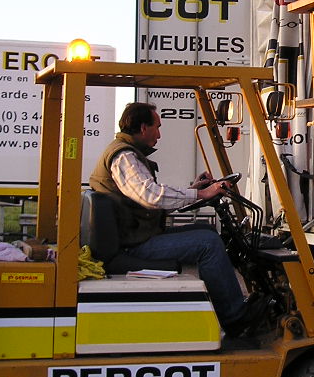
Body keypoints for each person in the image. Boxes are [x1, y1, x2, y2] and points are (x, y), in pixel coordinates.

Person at [89, 101, 265, 337]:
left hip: (135, 236)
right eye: (157, 127)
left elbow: (146, 200)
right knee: (208, 244)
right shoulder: (124, 156)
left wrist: (194, 189)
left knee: (209, 232)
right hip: (132, 246)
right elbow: (151, 196)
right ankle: (235, 317)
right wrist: (202, 193)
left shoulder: (127, 152)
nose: (159, 135)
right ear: (143, 128)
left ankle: (228, 302)